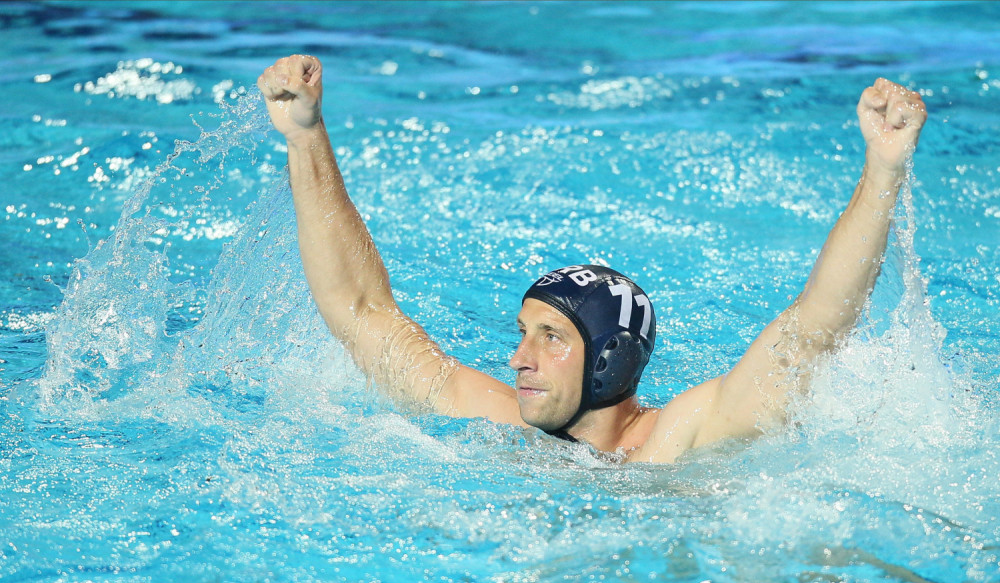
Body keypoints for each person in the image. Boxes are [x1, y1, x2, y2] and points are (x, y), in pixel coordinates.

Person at [256, 54, 927, 464]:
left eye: (551, 337)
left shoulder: (678, 443)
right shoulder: (501, 422)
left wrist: (883, 170)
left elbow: (814, 330)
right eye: (524, 333)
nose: (518, 358)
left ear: (610, 359)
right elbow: (361, 312)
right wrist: (306, 137)